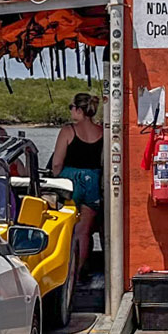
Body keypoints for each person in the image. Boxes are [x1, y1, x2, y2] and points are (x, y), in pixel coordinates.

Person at [49, 92, 105, 279]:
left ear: (79, 110)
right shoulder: (103, 132)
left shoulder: (68, 131)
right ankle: (78, 272)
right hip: (93, 181)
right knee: (84, 231)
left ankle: (65, 274)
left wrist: (55, 178)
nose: (71, 111)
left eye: (71, 107)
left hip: (70, 182)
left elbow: (57, 163)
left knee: (67, 229)